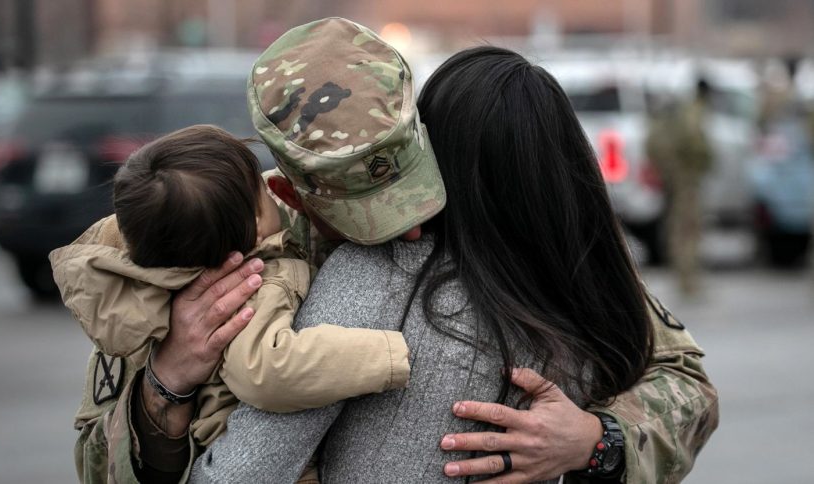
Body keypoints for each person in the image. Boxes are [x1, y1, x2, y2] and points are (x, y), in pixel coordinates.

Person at [76, 19, 718, 484]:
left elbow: (684, 381)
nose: (413, 233)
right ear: (287, 196)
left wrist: (595, 442)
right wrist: (167, 386)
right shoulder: (194, 252)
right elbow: (96, 465)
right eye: (372, 213)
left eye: (419, 194)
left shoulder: (487, 239)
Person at [50, 124, 415, 480]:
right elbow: (99, 469)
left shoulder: (164, 237)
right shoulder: (253, 273)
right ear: (258, 217)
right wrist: (166, 383)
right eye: (263, 188)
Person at [646, 79, 714, 296]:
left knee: (679, 227)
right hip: (686, 178)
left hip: (675, 177)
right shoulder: (692, 112)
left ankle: (684, 277)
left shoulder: (674, 114)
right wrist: (703, 161)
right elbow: (695, 142)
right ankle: (687, 280)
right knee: (688, 229)